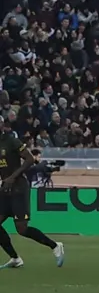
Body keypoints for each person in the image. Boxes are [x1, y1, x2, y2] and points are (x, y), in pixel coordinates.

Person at [0, 113, 64, 268]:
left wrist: (12, 177)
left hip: (19, 188)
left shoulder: (11, 141)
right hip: (5, 189)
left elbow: (30, 159)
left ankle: (55, 246)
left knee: (21, 229)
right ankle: (15, 259)